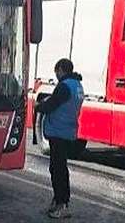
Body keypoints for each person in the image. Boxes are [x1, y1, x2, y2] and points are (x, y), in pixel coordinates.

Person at [35, 58, 84, 219]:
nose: (56, 75)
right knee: (60, 168)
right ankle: (59, 202)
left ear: (61, 70)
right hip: (68, 131)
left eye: (57, 71)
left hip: (59, 132)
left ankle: (62, 204)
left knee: (58, 170)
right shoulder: (77, 85)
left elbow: (51, 105)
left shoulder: (64, 86)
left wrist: (39, 106)